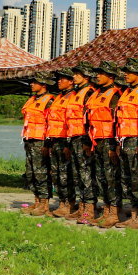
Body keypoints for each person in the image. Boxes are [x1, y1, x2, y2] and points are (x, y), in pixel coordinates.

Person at [115, 58, 138, 229]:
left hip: (136, 140)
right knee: (128, 180)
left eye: (129, 72)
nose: (125, 75)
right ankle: (134, 213)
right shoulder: (127, 92)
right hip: (124, 139)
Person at [88, 62, 122, 228]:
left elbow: (117, 121)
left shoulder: (114, 95)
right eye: (97, 73)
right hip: (97, 140)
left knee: (111, 178)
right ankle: (106, 210)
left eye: (102, 73)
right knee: (102, 178)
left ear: (111, 76)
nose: (97, 76)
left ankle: (114, 213)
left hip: (109, 140)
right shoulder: (96, 94)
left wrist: (115, 144)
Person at [64, 62, 97, 224]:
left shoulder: (89, 92)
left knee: (86, 173)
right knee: (78, 174)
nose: (74, 77)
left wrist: (87, 140)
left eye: (77, 74)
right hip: (74, 137)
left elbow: (89, 119)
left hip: (84, 138)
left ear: (86, 77)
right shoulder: (77, 93)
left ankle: (89, 209)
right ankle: (82, 206)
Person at [21, 72, 55, 216]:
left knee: (42, 173)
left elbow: (52, 122)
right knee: (31, 173)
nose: (31, 84)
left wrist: (48, 144)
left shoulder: (49, 101)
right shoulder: (32, 100)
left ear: (43, 85)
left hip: (41, 142)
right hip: (30, 141)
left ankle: (44, 204)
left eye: (35, 82)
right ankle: (36, 201)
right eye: (31, 82)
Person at [48, 69, 76, 218]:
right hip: (56, 139)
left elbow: (71, 120)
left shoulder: (73, 97)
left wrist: (68, 144)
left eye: (62, 79)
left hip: (66, 140)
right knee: (57, 174)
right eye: (58, 79)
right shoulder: (59, 97)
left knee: (66, 175)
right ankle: (62, 202)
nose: (59, 81)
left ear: (71, 81)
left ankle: (69, 203)